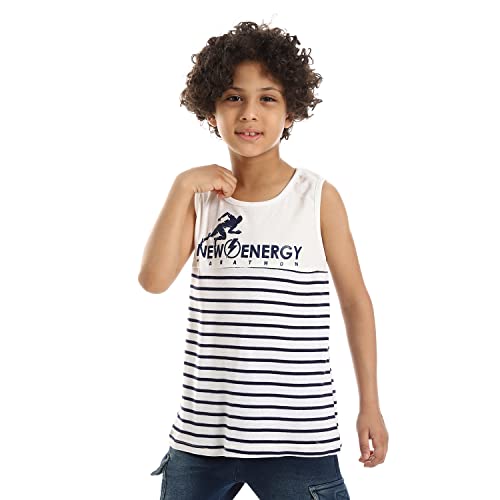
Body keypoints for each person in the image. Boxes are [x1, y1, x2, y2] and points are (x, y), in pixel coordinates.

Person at [139, 20, 388, 500]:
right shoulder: (199, 199)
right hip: (201, 440)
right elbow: (152, 279)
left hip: (297, 441)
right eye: (234, 97)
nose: (249, 113)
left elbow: (356, 302)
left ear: (291, 111)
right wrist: (181, 186)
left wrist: (370, 404)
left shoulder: (316, 198)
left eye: (267, 98)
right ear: (210, 109)